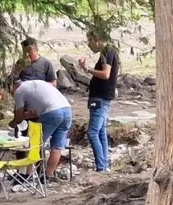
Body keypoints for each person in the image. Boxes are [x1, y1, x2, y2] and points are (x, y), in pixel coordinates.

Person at [9, 79, 72, 183]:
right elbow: (41, 109)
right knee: (56, 147)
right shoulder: (37, 84)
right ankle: (47, 177)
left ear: (13, 87)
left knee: (34, 144)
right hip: (67, 110)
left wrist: (14, 122)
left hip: (52, 112)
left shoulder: (19, 91)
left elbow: (19, 117)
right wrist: (27, 115)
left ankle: (26, 175)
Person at [77, 27, 119, 172]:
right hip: (102, 96)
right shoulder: (107, 52)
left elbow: (106, 74)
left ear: (98, 40)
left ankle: (101, 167)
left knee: (92, 132)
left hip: (100, 97)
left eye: (90, 41)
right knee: (100, 131)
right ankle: (103, 165)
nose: (89, 44)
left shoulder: (107, 51)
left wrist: (87, 69)